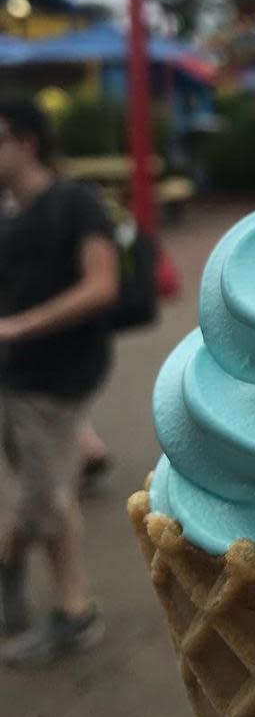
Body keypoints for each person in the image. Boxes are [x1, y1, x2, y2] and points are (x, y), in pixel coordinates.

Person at [0, 99, 118, 666]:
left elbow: (101, 285)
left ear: (26, 142)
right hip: (13, 379)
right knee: (47, 494)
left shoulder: (76, 202)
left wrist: (19, 326)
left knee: (41, 500)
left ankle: (70, 610)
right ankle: (60, 602)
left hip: (57, 378)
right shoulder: (5, 217)